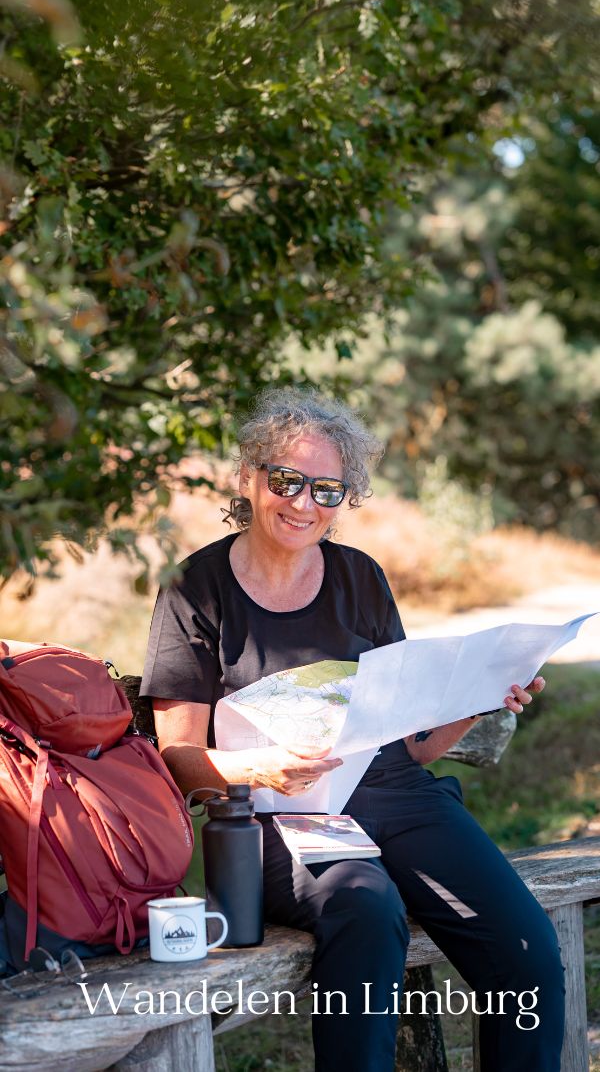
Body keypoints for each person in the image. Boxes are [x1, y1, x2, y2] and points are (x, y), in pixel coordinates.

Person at [140, 386, 565, 1072]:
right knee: (366, 909)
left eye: (327, 489)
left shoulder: (360, 578)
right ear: (249, 477)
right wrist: (260, 769)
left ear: (346, 498)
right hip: (278, 816)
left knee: (525, 949)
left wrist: (484, 699)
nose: (304, 502)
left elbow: (412, 744)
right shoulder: (196, 588)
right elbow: (179, 757)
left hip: (397, 796)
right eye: (287, 480)